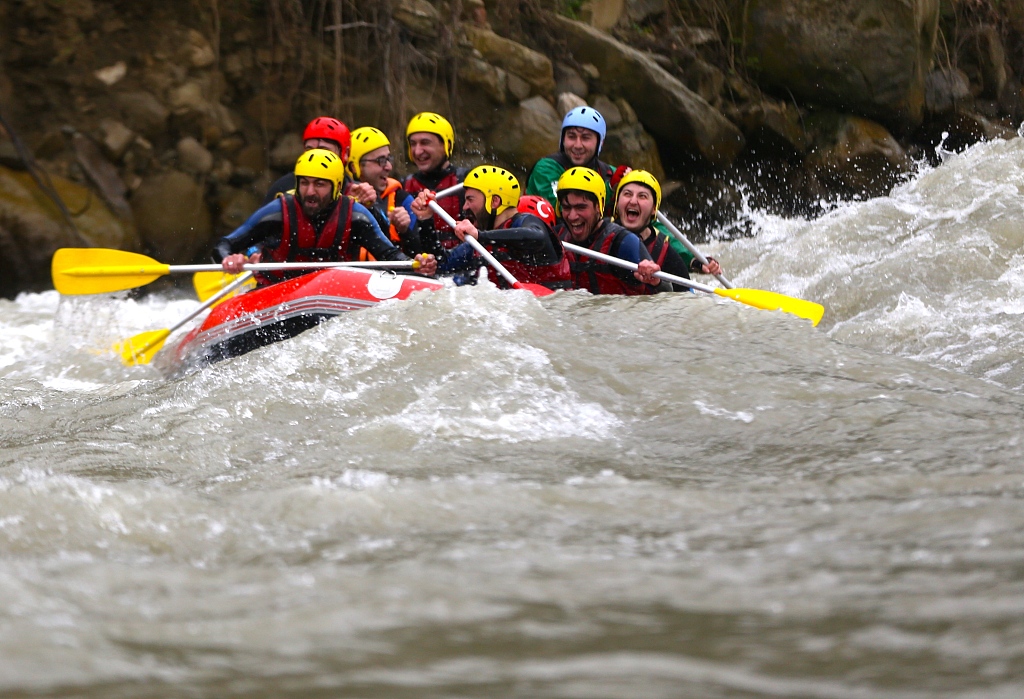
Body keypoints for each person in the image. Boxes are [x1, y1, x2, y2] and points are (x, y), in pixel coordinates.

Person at [215, 149, 436, 284]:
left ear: (337, 187)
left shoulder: (356, 216)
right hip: (276, 294)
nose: (310, 192)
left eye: (319, 184)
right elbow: (224, 245)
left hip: (332, 295)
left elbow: (388, 255)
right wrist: (230, 258)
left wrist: (414, 264)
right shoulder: (278, 213)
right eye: (304, 183)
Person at [427, 166, 571, 290]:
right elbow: (443, 264)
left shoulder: (526, 222)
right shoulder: (481, 241)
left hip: (551, 307)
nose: (465, 207)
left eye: (470, 200)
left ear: (495, 201)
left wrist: (481, 235)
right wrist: (425, 219)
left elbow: (536, 237)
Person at [553, 166, 662, 295]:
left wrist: (656, 282)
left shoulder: (624, 243)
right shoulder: (555, 238)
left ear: (599, 206)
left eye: (581, 207)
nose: (572, 216)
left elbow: (667, 294)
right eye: (566, 207)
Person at [613, 170, 723, 291]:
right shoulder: (600, 233)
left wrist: (695, 262)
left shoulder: (665, 251)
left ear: (654, 209)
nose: (633, 201)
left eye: (642, 196)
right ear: (617, 203)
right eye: (627, 194)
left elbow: (687, 298)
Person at [525, 106, 625, 216]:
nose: (577, 145)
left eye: (585, 138)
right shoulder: (546, 169)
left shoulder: (609, 173)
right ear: (563, 139)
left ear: (600, 143)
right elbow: (565, 213)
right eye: (572, 137)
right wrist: (610, 190)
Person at [263, 116, 375, 207]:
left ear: (345, 154)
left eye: (324, 150)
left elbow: (381, 231)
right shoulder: (284, 187)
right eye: (309, 150)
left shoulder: (357, 192)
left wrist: (370, 207)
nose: (315, 156)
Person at [346, 126, 421, 257]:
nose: (389, 167)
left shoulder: (401, 199)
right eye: (380, 161)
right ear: (354, 167)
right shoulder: (339, 202)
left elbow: (421, 255)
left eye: (388, 159)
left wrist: (405, 232)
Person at [402, 112, 468, 250]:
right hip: (418, 262)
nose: (418, 151)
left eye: (425, 143)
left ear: (446, 146)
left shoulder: (466, 182)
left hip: (458, 261)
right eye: (413, 144)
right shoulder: (402, 187)